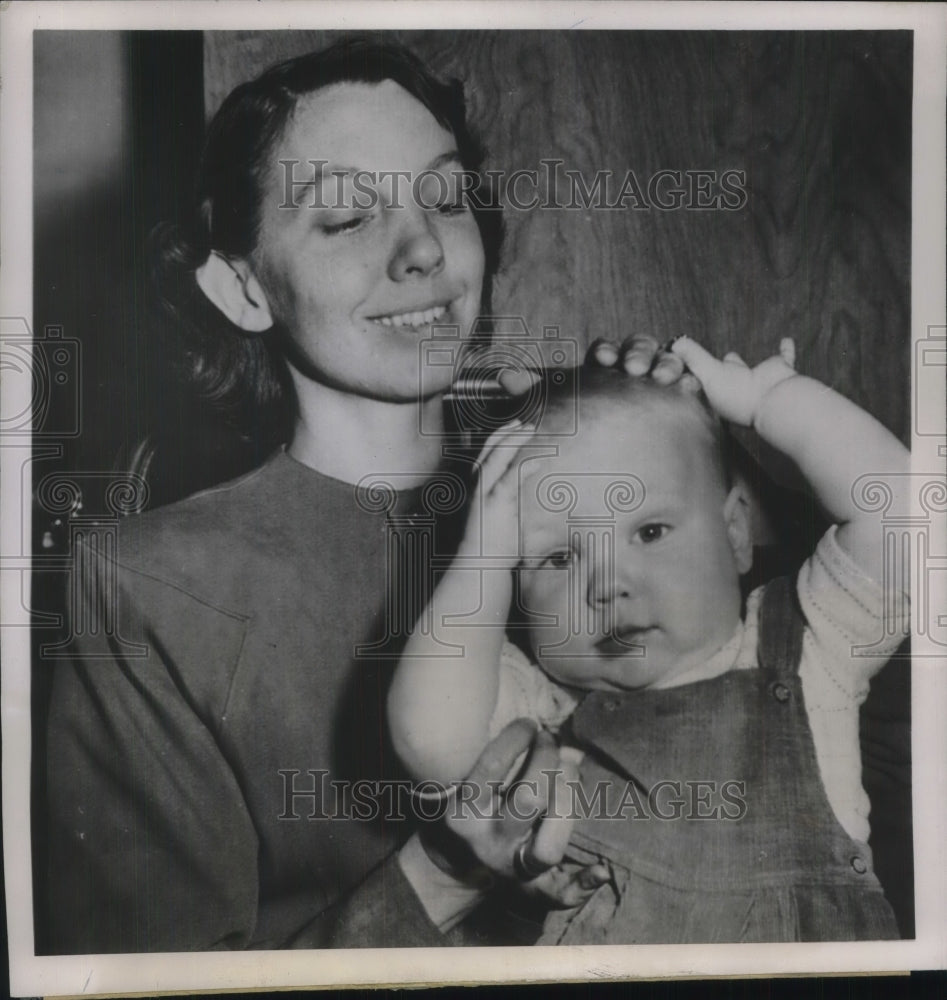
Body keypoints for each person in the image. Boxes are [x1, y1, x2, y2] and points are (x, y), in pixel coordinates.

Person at [43, 37, 688, 954]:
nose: (423, 247)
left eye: (445, 195)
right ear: (241, 287)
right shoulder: (145, 591)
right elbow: (146, 978)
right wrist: (444, 873)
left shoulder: (589, 481)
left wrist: (693, 444)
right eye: (346, 218)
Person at [388, 337, 911, 942]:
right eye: (557, 557)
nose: (607, 584)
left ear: (736, 532)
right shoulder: (540, 713)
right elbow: (429, 740)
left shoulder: (810, 650)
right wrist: (480, 554)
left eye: (651, 530)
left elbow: (904, 513)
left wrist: (770, 400)